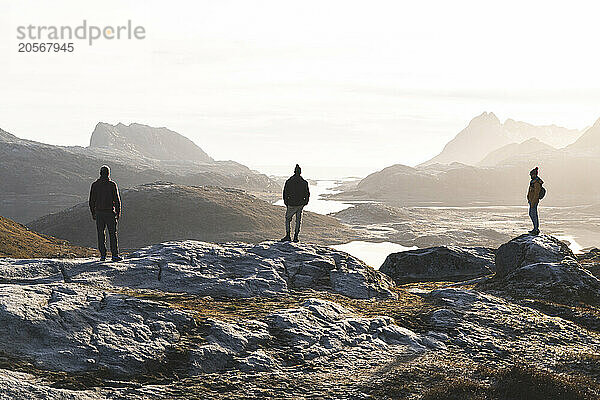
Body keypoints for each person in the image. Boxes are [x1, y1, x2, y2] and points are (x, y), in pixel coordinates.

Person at [89, 165, 122, 261]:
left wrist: (93, 213)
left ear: (100, 173)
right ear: (108, 174)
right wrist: (118, 212)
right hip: (110, 213)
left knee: (100, 234)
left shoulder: (95, 185)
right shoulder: (112, 185)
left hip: (99, 213)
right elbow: (117, 200)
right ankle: (114, 255)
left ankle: (103, 255)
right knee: (112, 234)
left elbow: (91, 201)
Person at [280, 164, 310, 242]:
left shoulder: (289, 181)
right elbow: (307, 193)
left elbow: (285, 192)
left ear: (294, 171)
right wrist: (305, 202)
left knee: (288, 219)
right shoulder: (304, 182)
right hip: (300, 204)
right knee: (298, 220)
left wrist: (286, 202)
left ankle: (288, 235)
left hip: (291, 204)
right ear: (300, 172)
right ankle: (296, 237)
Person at [527, 166, 543, 235]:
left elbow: (536, 193)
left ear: (534, 174)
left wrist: (533, 201)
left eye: (531, 174)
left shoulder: (536, 182)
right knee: (531, 214)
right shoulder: (533, 182)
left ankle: (536, 229)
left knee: (533, 214)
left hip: (534, 201)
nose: (530, 176)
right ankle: (535, 228)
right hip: (531, 200)